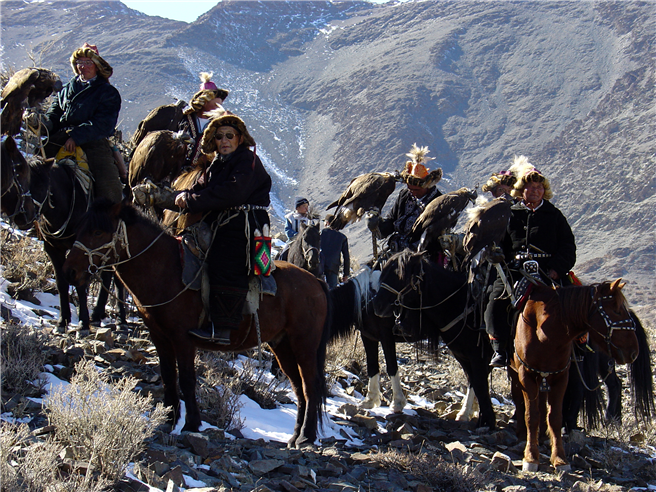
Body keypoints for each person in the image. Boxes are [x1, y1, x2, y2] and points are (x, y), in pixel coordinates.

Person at [174, 114, 271, 344]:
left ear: (239, 139)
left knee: (224, 258)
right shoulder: (217, 164)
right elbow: (198, 192)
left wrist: (192, 200)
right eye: (219, 137)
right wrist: (169, 198)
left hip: (247, 223)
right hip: (224, 220)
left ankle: (223, 329)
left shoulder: (247, 160)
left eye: (230, 136)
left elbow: (232, 193)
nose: (224, 140)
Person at [484, 156, 576, 367]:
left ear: (544, 190)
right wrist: (498, 256)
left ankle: (578, 350)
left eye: (539, 187)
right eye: (530, 187)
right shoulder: (510, 214)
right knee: (495, 300)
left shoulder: (554, 216)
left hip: (548, 272)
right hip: (515, 272)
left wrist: (555, 270)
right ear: (521, 190)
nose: (535, 191)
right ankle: (499, 349)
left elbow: (568, 248)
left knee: (572, 305)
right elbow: (500, 244)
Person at [43, 43, 123, 202]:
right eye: (79, 62)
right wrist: (44, 125)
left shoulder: (107, 92)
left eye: (88, 62)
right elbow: (54, 113)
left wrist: (76, 136)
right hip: (60, 139)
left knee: (109, 187)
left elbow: (104, 124)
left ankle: (111, 222)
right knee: (34, 169)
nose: (83, 66)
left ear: (97, 65)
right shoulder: (66, 90)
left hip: (93, 142)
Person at [366, 144, 443, 252]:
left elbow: (434, 236)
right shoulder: (405, 195)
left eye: (415, 190)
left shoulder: (438, 202)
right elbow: (392, 221)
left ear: (426, 186)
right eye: (409, 188)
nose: (411, 192)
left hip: (422, 256)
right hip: (396, 249)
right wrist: (377, 225)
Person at [179, 72, 229, 167]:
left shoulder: (218, 126)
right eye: (215, 105)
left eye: (220, 105)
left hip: (201, 173)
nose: (219, 109)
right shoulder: (183, 119)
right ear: (204, 102)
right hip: (175, 168)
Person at [321, 214, 350, 289]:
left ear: (327, 223)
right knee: (332, 292)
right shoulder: (342, 237)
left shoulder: (320, 234)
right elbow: (346, 257)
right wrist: (346, 274)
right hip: (333, 268)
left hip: (320, 267)